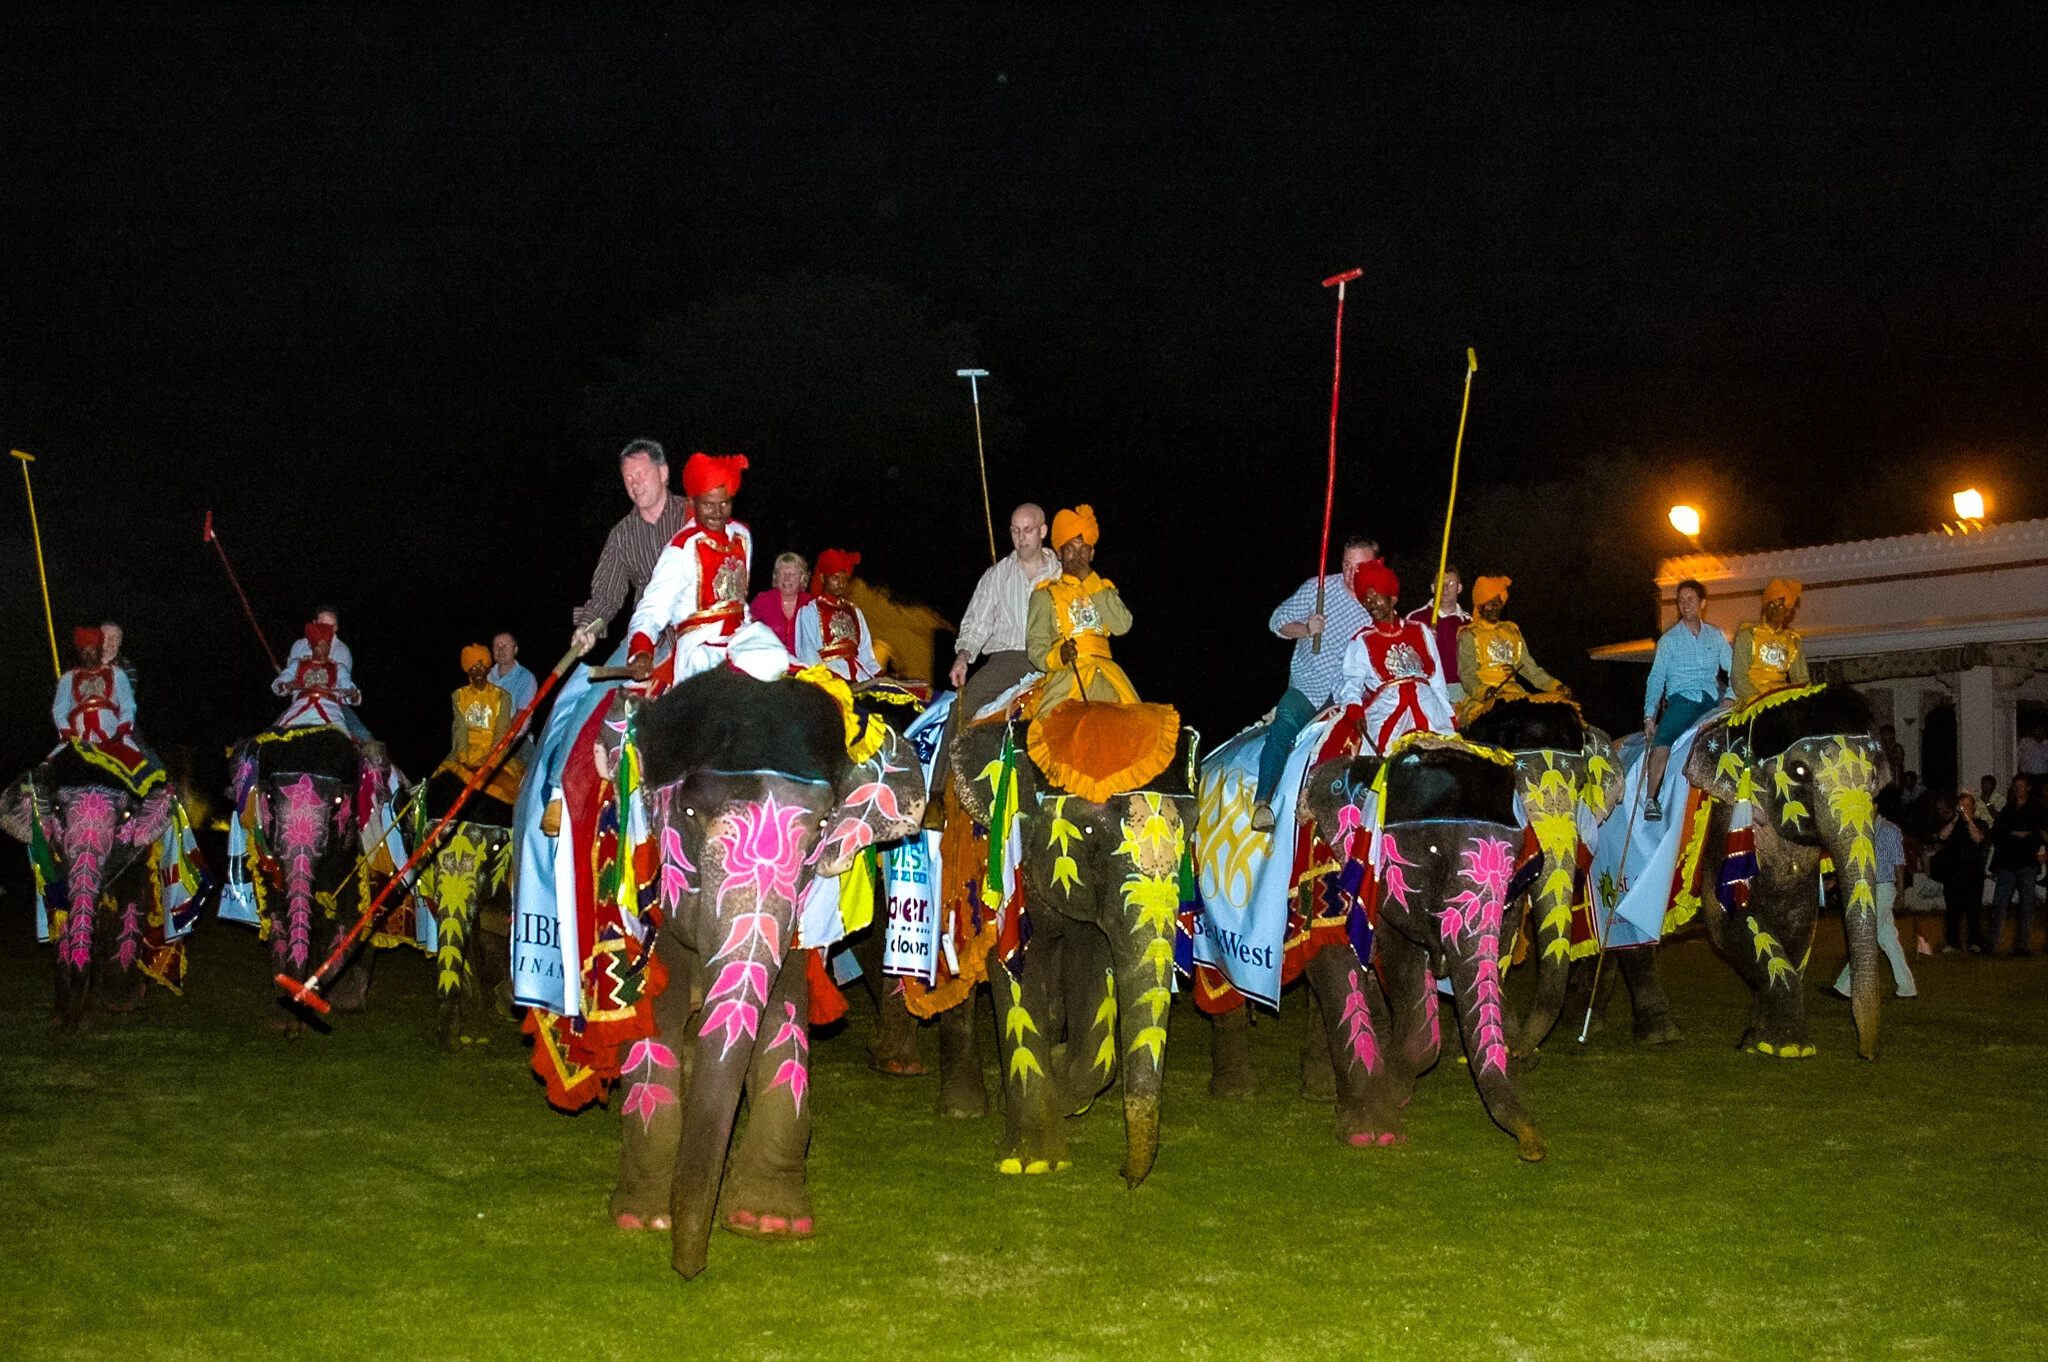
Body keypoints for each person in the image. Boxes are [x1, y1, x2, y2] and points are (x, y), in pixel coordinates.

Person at [928, 503, 1061, 823]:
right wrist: (963, 657)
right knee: (961, 707)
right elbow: (976, 624)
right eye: (1015, 530)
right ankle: (934, 796)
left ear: (1043, 532)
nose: (1020, 537)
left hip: (1056, 661)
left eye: (1028, 530)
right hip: (1009, 659)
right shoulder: (996, 575)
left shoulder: (1062, 573)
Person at [1252, 534, 1378, 829]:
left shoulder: (1377, 602)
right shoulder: (1318, 588)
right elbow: (1277, 620)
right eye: (1346, 565)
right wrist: (1306, 628)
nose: (1350, 574)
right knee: (1284, 724)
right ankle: (1263, 803)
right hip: (1310, 686)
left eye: (1358, 567)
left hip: (1350, 696)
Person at [626, 452, 778, 690]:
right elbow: (651, 609)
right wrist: (641, 651)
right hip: (700, 645)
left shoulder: (742, 536)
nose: (718, 513)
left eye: (724, 503)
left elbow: (738, 599)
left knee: (779, 664)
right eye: (709, 504)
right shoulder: (680, 549)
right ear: (693, 502)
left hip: (744, 637)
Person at [569, 439, 695, 658]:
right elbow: (606, 597)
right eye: (628, 478)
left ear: (663, 473)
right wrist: (586, 628)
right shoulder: (621, 535)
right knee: (589, 691)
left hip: (696, 631)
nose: (634, 484)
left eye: (641, 474)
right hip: (646, 639)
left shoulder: (695, 514)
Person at [1333, 560, 1456, 753]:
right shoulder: (1361, 641)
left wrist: (1449, 715)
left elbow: (1436, 680)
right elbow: (1351, 684)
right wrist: (1353, 708)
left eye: (1375, 595)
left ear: (1393, 598)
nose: (1370, 602)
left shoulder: (1420, 630)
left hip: (1429, 708)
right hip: (1386, 711)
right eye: (1366, 598)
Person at [1025, 504, 1136, 713]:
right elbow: (1036, 647)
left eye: (1084, 549)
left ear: (1092, 553)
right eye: (1070, 549)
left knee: (1138, 728)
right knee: (1048, 732)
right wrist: (1059, 656)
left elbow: (1122, 625)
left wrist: (1091, 582)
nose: (1077, 556)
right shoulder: (1044, 595)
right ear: (1059, 553)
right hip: (1068, 677)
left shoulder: (1103, 589)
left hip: (1108, 677)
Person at [1641, 578, 1730, 821]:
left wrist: (1731, 696)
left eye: (1690, 599)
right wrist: (1650, 716)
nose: (1685, 604)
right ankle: (1651, 799)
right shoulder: (1669, 641)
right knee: (1664, 738)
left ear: (1703, 603)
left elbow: (1734, 668)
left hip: (1713, 698)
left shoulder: (1715, 635)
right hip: (1683, 700)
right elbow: (1656, 678)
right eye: (1681, 600)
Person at [1454, 575, 1565, 723]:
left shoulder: (1512, 631)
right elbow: (1467, 675)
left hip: (1514, 694)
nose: (1494, 607)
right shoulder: (1469, 635)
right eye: (1489, 603)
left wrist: (1555, 686)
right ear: (1480, 606)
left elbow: (1530, 669)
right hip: (1483, 700)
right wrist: (1483, 692)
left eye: (1498, 603)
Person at [1829, 813, 1917, 999]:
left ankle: (1844, 987)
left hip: (1882, 888)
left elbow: (1899, 864)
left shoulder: (1888, 830)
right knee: (1888, 939)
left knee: (1865, 937)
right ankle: (1907, 987)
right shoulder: (1866, 831)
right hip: (1873, 887)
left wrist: (1900, 894)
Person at [431, 644, 525, 807]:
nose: (478, 672)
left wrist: (489, 757)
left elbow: (502, 730)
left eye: (481, 667)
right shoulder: (458, 696)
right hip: (465, 751)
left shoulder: (502, 696)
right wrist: (463, 755)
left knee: (512, 788)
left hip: (494, 752)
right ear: (468, 670)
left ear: (488, 668)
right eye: (473, 668)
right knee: (434, 784)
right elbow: (459, 729)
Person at [794, 548, 881, 683]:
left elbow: (865, 653)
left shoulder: (855, 612)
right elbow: (808, 656)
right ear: (823, 578)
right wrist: (835, 681)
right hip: (828, 678)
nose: (841, 583)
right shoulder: (809, 611)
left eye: (843, 578)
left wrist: (881, 676)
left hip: (860, 677)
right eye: (835, 578)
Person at [1985, 773, 2043, 956]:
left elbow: (2040, 831)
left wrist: (2035, 844)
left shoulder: (2036, 809)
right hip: (2007, 863)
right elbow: (1996, 833)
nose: (2017, 788)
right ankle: (1992, 945)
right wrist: (2013, 834)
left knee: (2026, 904)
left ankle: (2022, 946)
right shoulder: (2008, 810)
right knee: (1999, 904)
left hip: (2026, 862)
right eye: (2015, 785)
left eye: (2021, 785)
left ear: (2028, 787)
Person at [1731, 578, 1810, 709]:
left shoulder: (1792, 640)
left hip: (1782, 699)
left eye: (1780, 606)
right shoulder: (1747, 634)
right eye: (1771, 605)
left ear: (1787, 611)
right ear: (1765, 607)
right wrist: (1758, 700)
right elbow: (1738, 677)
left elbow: (1801, 679)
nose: (1775, 610)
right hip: (1752, 701)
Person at [52, 626, 137, 749]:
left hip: (114, 732)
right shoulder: (68, 678)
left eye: (92, 652)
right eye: (84, 652)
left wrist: (121, 732)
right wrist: (68, 735)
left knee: (139, 760)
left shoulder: (117, 673)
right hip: (78, 737)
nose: (88, 657)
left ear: (99, 651)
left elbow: (128, 706)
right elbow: (60, 711)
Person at [271, 621, 361, 729]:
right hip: (299, 708)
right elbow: (276, 685)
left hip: (330, 709)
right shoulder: (298, 664)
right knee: (277, 735)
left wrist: (353, 694)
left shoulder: (338, 668)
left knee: (342, 736)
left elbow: (351, 691)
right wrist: (286, 686)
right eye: (319, 647)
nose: (323, 651)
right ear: (310, 646)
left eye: (327, 647)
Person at [1930, 791, 1990, 952]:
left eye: (1966, 806)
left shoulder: (1980, 823)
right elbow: (1942, 836)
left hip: (1973, 874)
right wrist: (1956, 818)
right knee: (1952, 911)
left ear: (1973, 807)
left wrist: (1967, 819)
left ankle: (1975, 942)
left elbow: (1978, 838)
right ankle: (1952, 943)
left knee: (1974, 910)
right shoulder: (1952, 824)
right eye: (1961, 806)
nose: (1963, 808)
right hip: (1953, 873)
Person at [1404, 564, 1468, 702]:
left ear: (1459, 588)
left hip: (1461, 690)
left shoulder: (1470, 623)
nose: (1445, 588)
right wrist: (1422, 646)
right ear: (1433, 588)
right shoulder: (1415, 620)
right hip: (1427, 689)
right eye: (1440, 583)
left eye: (1451, 583)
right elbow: (1404, 660)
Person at [750, 552, 812, 653]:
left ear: (801, 578)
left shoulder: (810, 603)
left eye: (792, 574)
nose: (786, 579)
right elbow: (747, 633)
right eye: (782, 574)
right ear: (775, 577)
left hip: (804, 665)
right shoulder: (762, 600)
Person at [284, 605, 356, 673]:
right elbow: (289, 674)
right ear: (314, 623)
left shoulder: (343, 652)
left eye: (332, 626)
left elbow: (344, 682)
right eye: (323, 626)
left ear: (337, 627)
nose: (328, 630)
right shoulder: (299, 645)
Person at [488, 632, 538, 716]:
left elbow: (523, 715)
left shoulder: (526, 678)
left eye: (506, 646)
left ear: (515, 650)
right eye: (497, 646)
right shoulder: (485, 675)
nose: (501, 650)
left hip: (511, 728)